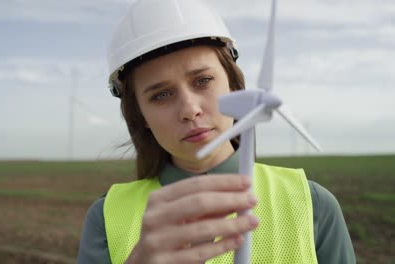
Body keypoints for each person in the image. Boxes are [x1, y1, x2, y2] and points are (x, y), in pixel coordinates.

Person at [77, 0, 356, 263]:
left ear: (233, 85)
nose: (189, 109)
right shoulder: (105, 217)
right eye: (161, 95)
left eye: (203, 80)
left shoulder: (313, 204)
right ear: (141, 115)